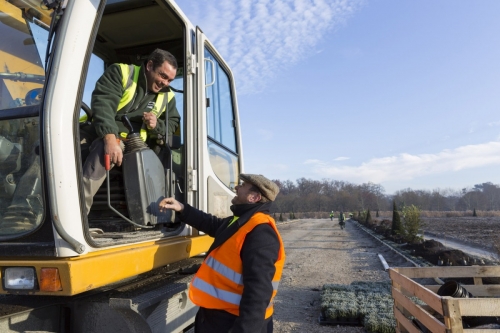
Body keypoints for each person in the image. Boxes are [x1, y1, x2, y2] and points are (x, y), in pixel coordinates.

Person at [158, 174, 286, 333]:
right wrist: (183, 209)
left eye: (242, 185)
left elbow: (258, 293)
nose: (237, 187)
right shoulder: (243, 221)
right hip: (220, 316)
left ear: (253, 197)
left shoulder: (260, 232)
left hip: (231, 321)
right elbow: (212, 224)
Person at [80, 48, 180, 214]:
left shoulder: (167, 97)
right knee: (52, 146)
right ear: (149, 66)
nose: (165, 83)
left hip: (135, 145)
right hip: (102, 132)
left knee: (103, 153)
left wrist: (156, 125)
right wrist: (110, 139)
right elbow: (103, 105)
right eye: (163, 76)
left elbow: (172, 124)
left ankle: (79, 213)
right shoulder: (121, 73)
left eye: (170, 80)